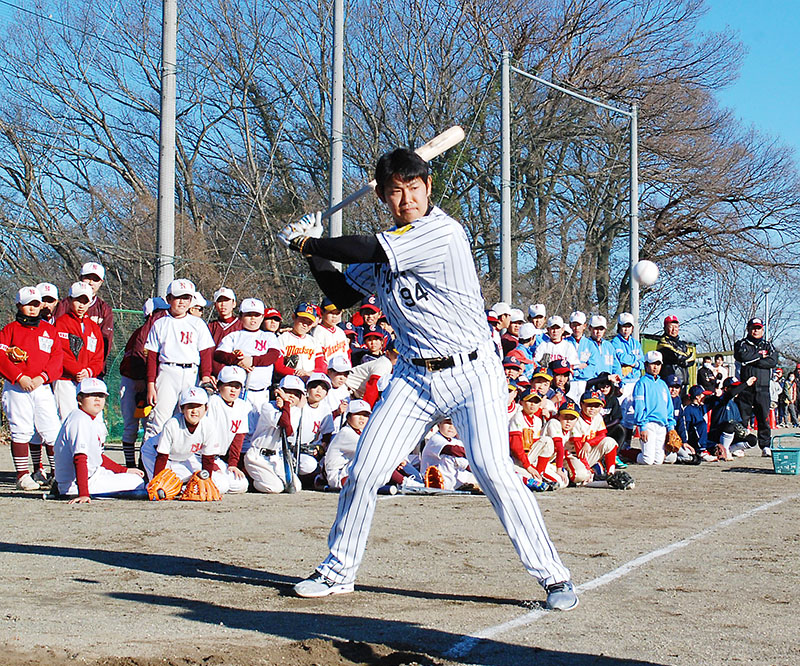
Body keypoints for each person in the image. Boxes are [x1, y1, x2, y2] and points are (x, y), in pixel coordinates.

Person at [278, 146, 576, 610]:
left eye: (415, 189)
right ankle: (339, 571)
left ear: (428, 187)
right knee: (364, 470)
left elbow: (367, 248)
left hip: (473, 371)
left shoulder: (442, 232)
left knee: (494, 472)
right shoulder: (385, 241)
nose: (407, 200)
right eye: (396, 192)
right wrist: (315, 253)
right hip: (414, 376)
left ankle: (554, 578)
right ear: (381, 195)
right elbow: (340, 293)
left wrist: (310, 243)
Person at [0, 287, 64, 490]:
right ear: (19, 305)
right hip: (16, 387)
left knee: (52, 430)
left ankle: (57, 474)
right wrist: (18, 376)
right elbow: (1, 356)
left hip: (41, 386)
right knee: (21, 430)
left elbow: (57, 358)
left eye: (36, 304)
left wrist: (42, 377)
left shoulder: (49, 330)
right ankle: (22, 475)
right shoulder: (9, 330)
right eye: (28, 304)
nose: (33, 308)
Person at [144, 279, 216, 439]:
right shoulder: (160, 323)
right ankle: (149, 459)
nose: (182, 302)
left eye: (187, 298)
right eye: (178, 297)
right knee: (160, 418)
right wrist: (150, 384)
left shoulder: (197, 323)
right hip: (168, 372)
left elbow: (205, 352)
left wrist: (205, 376)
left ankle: (178, 458)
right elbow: (152, 356)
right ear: (169, 299)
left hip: (191, 373)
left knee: (188, 419)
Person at [53, 378, 145, 502]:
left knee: (134, 476)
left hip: (90, 476)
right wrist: (83, 494)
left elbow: (97, 458)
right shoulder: (80, 420)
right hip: (77, 485)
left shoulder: (87, 418)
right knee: (137, 482)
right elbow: (79, 458)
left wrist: (125, 470)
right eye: (91, 395)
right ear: (79, 399)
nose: (97, 399)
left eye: (101, 396)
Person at [118, 297, 169, 468]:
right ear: (150, 314)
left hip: (149, 382)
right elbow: (137, 357)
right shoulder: (143, 332)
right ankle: (130, 465)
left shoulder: (164, 330)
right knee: (131, 426)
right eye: (159, 311)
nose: (163, 314)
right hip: (132, 381)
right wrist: (141, 378)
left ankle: (143, 464)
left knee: (150, 424)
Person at [53, 282, 105, 419]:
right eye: (77, 300)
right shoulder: (61, 323)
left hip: (88, 379)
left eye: (85, 301)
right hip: (66, 379)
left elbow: (99, 356)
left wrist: (89, 371)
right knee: (68, 418)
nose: (81, 305)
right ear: (70, 300)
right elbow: (61, 353)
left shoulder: (94, 327)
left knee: (94, 421)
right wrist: (77, 370)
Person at [53, 262, 114, 368]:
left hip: (92, 370)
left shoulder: (104, 309)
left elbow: (105, 343)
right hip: (64, 369)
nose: (91, 282)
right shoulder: (64, 304)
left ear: (101, 282)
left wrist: (94, 369)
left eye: (95, 279)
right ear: (80, 278)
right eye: (87, 277)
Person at [733, 317, 778, 456]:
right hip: (746, 387)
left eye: (758, 328)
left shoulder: (768, 345)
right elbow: (742, 357)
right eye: (753, 328)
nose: (756, 331)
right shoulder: (741, 343)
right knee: (742, 418)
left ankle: (765, 446)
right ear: (748, 329)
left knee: (764, 418)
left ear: (762, 330)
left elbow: (773, 361)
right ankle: (739, 445)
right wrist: (760, 357)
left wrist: (753, 359)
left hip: (763, 387)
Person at [631, 351, 674, 465]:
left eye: (658, 364)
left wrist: (671, 427)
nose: (655, 367)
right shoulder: (641, 383)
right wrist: (642, 426)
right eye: (652, 364)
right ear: (646, 365)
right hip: (648, 424)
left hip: (661, 425)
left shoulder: (663, 385)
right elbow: (639, 406)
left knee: (658, 460)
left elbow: (669, 407)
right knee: (647, 460)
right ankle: (628, 454)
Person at [324, 399, 373, 491]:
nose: (362, 418)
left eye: (365, 415)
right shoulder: (346, 432)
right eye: (357, 414)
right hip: (337, 475)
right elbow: (371, 449)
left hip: (347, 470)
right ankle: (402, 482)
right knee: (372, 457)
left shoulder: (359, 431)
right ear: (348, 417)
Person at [656, 315, 694, 389]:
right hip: (670, 381)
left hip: (683, 381)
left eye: (676, 327)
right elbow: (673, 356)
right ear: (665, 328)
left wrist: (684, 359)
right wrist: (684, 358)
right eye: (671, 327)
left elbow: (692, 358)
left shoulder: (682, 344)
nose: (674, 330)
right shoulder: (662, 341)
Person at [313, 297, 350, 362]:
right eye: (331, 312)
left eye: (337, 313)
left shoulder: (340, 331)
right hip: (328, 370)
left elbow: (347, 353)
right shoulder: (318, 332)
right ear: (322, 313)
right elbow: (318, 358)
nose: (334, 316)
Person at [611, 313, 643, 379]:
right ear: (619, 327)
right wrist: (636, 358)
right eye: (624, 326)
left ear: (632, 328)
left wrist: (635, 364)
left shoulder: (636, 343)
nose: (626, 329)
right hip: (623, 379)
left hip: (636, 379)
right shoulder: (615, 342)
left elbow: (643, 363)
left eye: (629, 326)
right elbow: (621, 359)